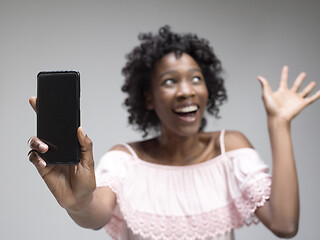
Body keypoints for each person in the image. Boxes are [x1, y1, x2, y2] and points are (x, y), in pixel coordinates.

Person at [28, 26, 320, 240]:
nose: (185, 91)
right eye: (169, 82)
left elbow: (284, 224)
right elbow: (95, 213)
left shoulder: (229, 148)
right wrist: (77, 203)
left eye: (196, 78)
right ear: (148, 98)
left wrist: (279, 124)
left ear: (208, 89)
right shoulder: (125, 160)